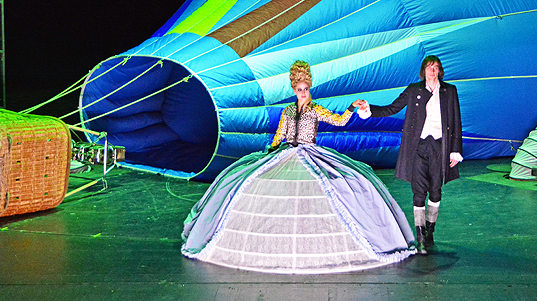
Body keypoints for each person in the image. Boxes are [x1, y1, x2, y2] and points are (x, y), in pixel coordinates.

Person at [182, 60, 414, 273]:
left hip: (309, 151)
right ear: (294, 90)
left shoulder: (316, 110)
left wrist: (352, 107)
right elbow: (280, 134)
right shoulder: (289, 110)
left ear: (309, 88)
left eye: (306, 89)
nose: (303, 93)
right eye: (300, 89)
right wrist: (270, 152)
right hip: (286, 152)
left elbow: (339, 121)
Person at [354, 55, 462, 253]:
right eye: (429, 67)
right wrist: (368, 108)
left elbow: (456, 121)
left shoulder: (449, 91)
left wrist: (455, 150)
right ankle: (420, 235)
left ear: (440, 70)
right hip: (418, 147)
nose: (433, 71)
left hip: (440, 147)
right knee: (419, 191)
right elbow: (391, 108)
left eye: (436, 67)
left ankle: (430, 229)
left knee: (436, 190)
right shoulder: (414, 90)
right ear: (423, 71)